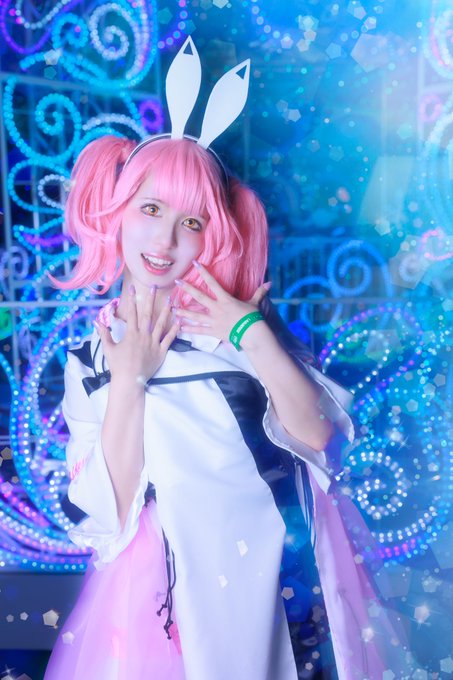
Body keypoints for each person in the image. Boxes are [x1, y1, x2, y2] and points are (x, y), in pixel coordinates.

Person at [44, 39, 411, 680]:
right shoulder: (92, 360)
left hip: (280, 581)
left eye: (190, 222)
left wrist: (251, 333)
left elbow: (322, 439)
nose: (164, 240)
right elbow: (109, 516)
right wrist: (129, 379)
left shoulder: (237, 326)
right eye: (150, 210)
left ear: (211, 233)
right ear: (119, 216)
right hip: (169, 600)